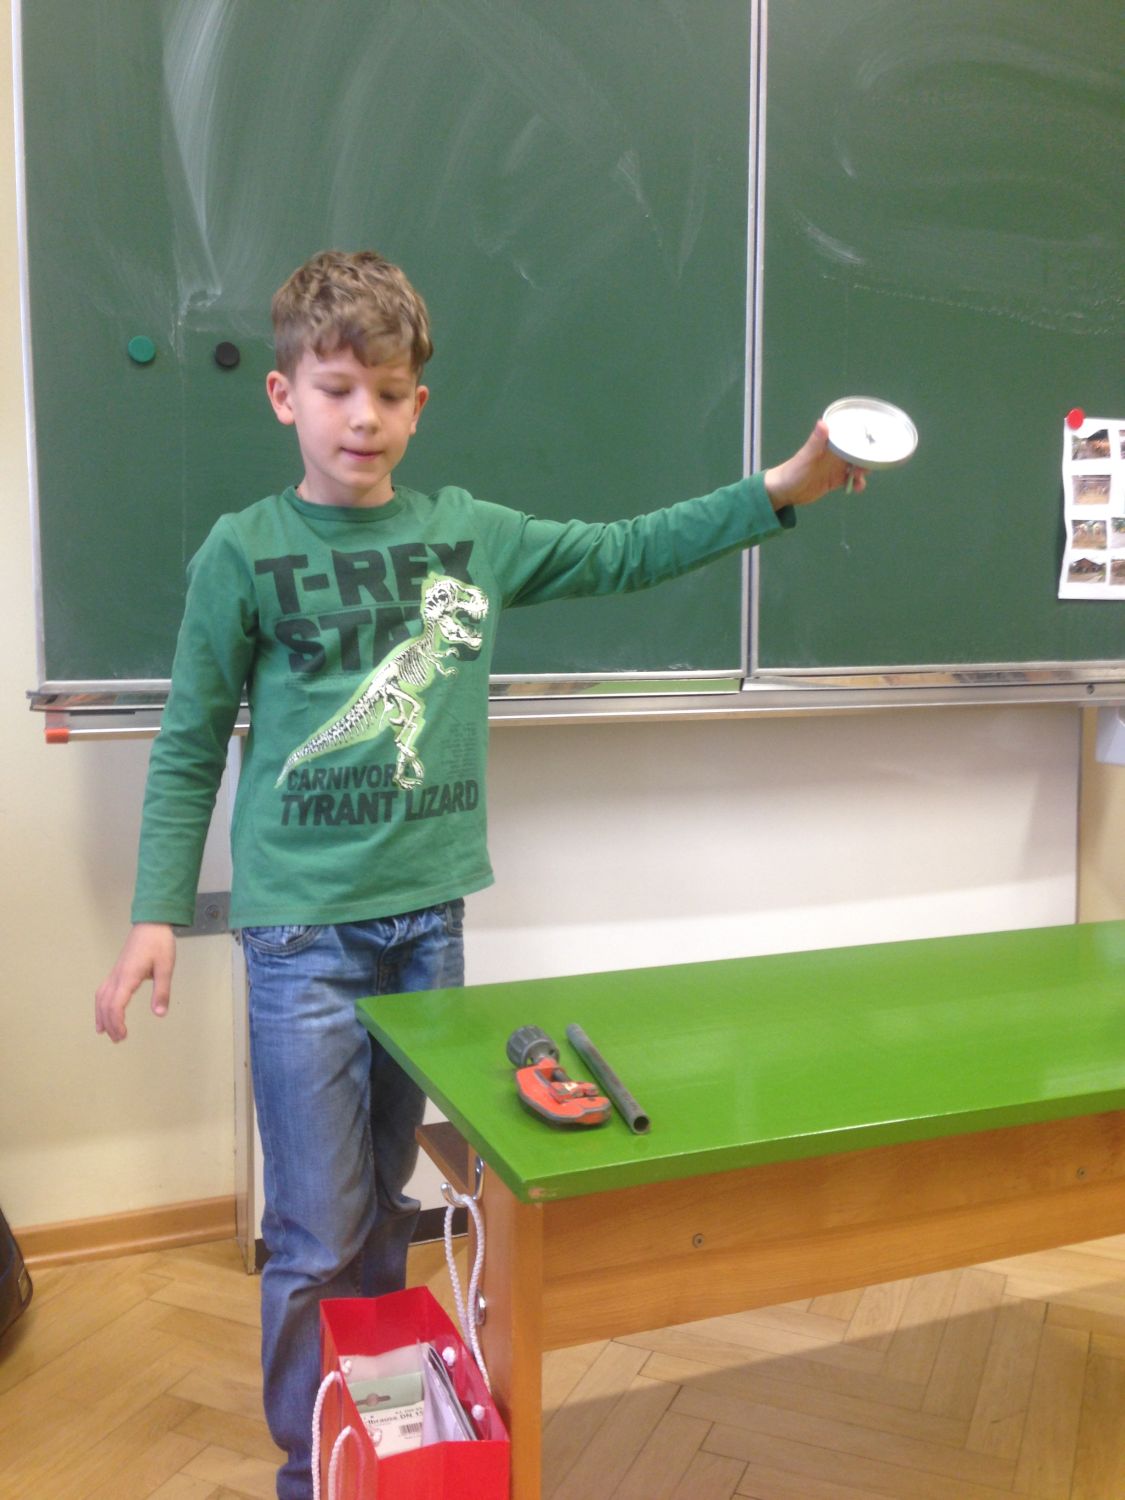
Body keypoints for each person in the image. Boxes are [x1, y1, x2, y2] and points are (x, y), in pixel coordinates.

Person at [93, 248, 865, 1498]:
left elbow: (627, 550)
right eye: (337, 389)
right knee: (315, 1228)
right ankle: (313, 1467)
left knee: (386, 1209)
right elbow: (188, 745)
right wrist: (154, 917)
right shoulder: (242, 551)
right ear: (284, 396)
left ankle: (382, 1440)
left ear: (420, 405)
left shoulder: (469, 534)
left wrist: (783, 487)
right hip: (300, 939)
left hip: (426, 927)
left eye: (390, 393)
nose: (364, 417)